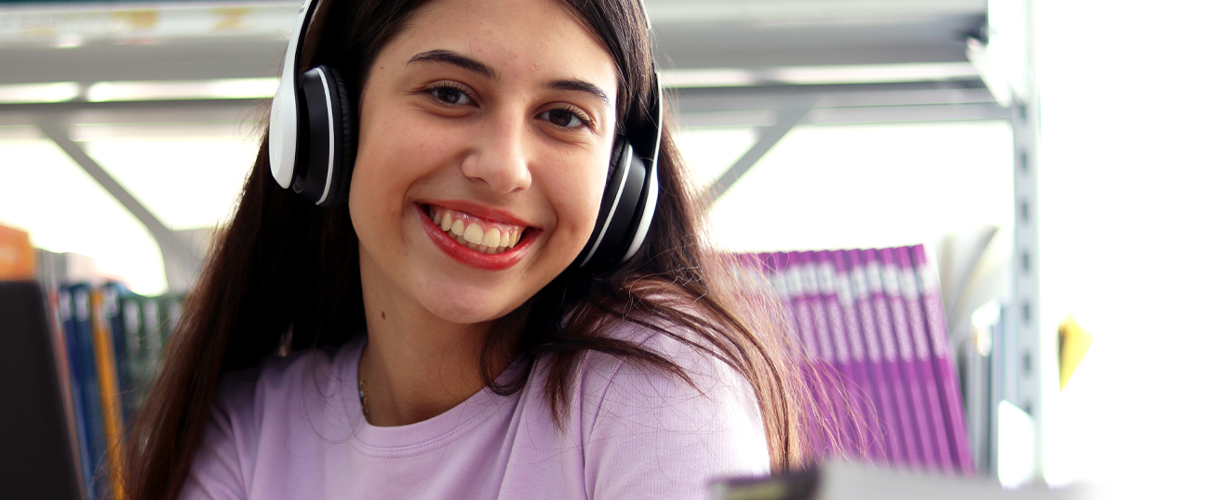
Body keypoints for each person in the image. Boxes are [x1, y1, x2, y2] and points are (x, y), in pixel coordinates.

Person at [125, 0, 809, 498]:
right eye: (450, 93)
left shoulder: (658, 387)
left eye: (565, 117)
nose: (505, 167)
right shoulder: (249, 433)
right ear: (325, 123)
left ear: (622, 179)